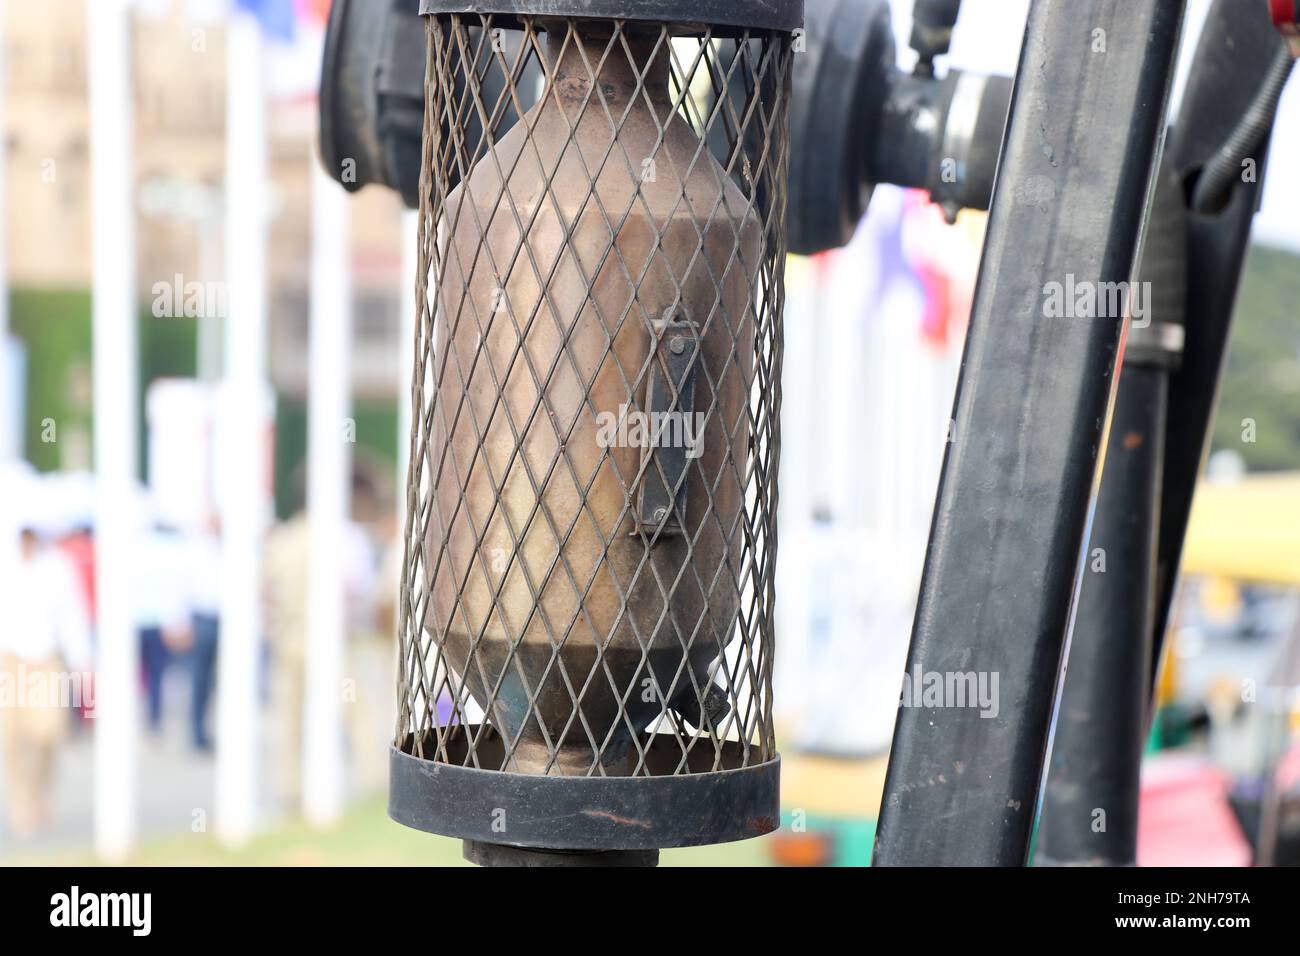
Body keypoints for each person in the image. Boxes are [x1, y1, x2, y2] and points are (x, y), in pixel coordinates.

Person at [0, 527, 93, 837]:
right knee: (12, 738)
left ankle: (41, 791)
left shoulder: (56, 566)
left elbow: (72, 615)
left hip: (46, 660)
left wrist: (82, 661)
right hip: (9, 660)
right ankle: (21, 805)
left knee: (48, 731)